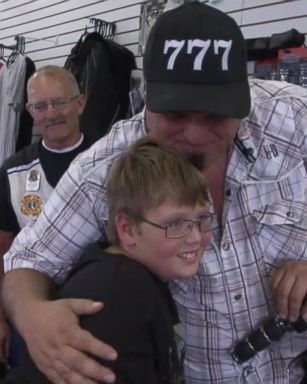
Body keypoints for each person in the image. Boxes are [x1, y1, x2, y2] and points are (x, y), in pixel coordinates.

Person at [3, 2, 307, 383]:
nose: (195, 137)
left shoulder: (293, 121)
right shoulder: (106, 166)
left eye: (215, 116)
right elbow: (27, 261)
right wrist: (33, 317)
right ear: (147, 98)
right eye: (176, 115)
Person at [2, 136, 211, 383]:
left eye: (202, 219)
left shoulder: (134, 277)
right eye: (176, 224)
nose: (196, 237)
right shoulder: (123, 295)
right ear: (127, 229)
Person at [0, 65, 88, 367]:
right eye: (40, 105)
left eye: (60, 102)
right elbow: (2, 250)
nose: (51, 114)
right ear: (29, 110)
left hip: (96, 312)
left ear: (80, 102)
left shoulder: (109, 162)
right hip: (30, 315)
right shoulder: (12, 172)